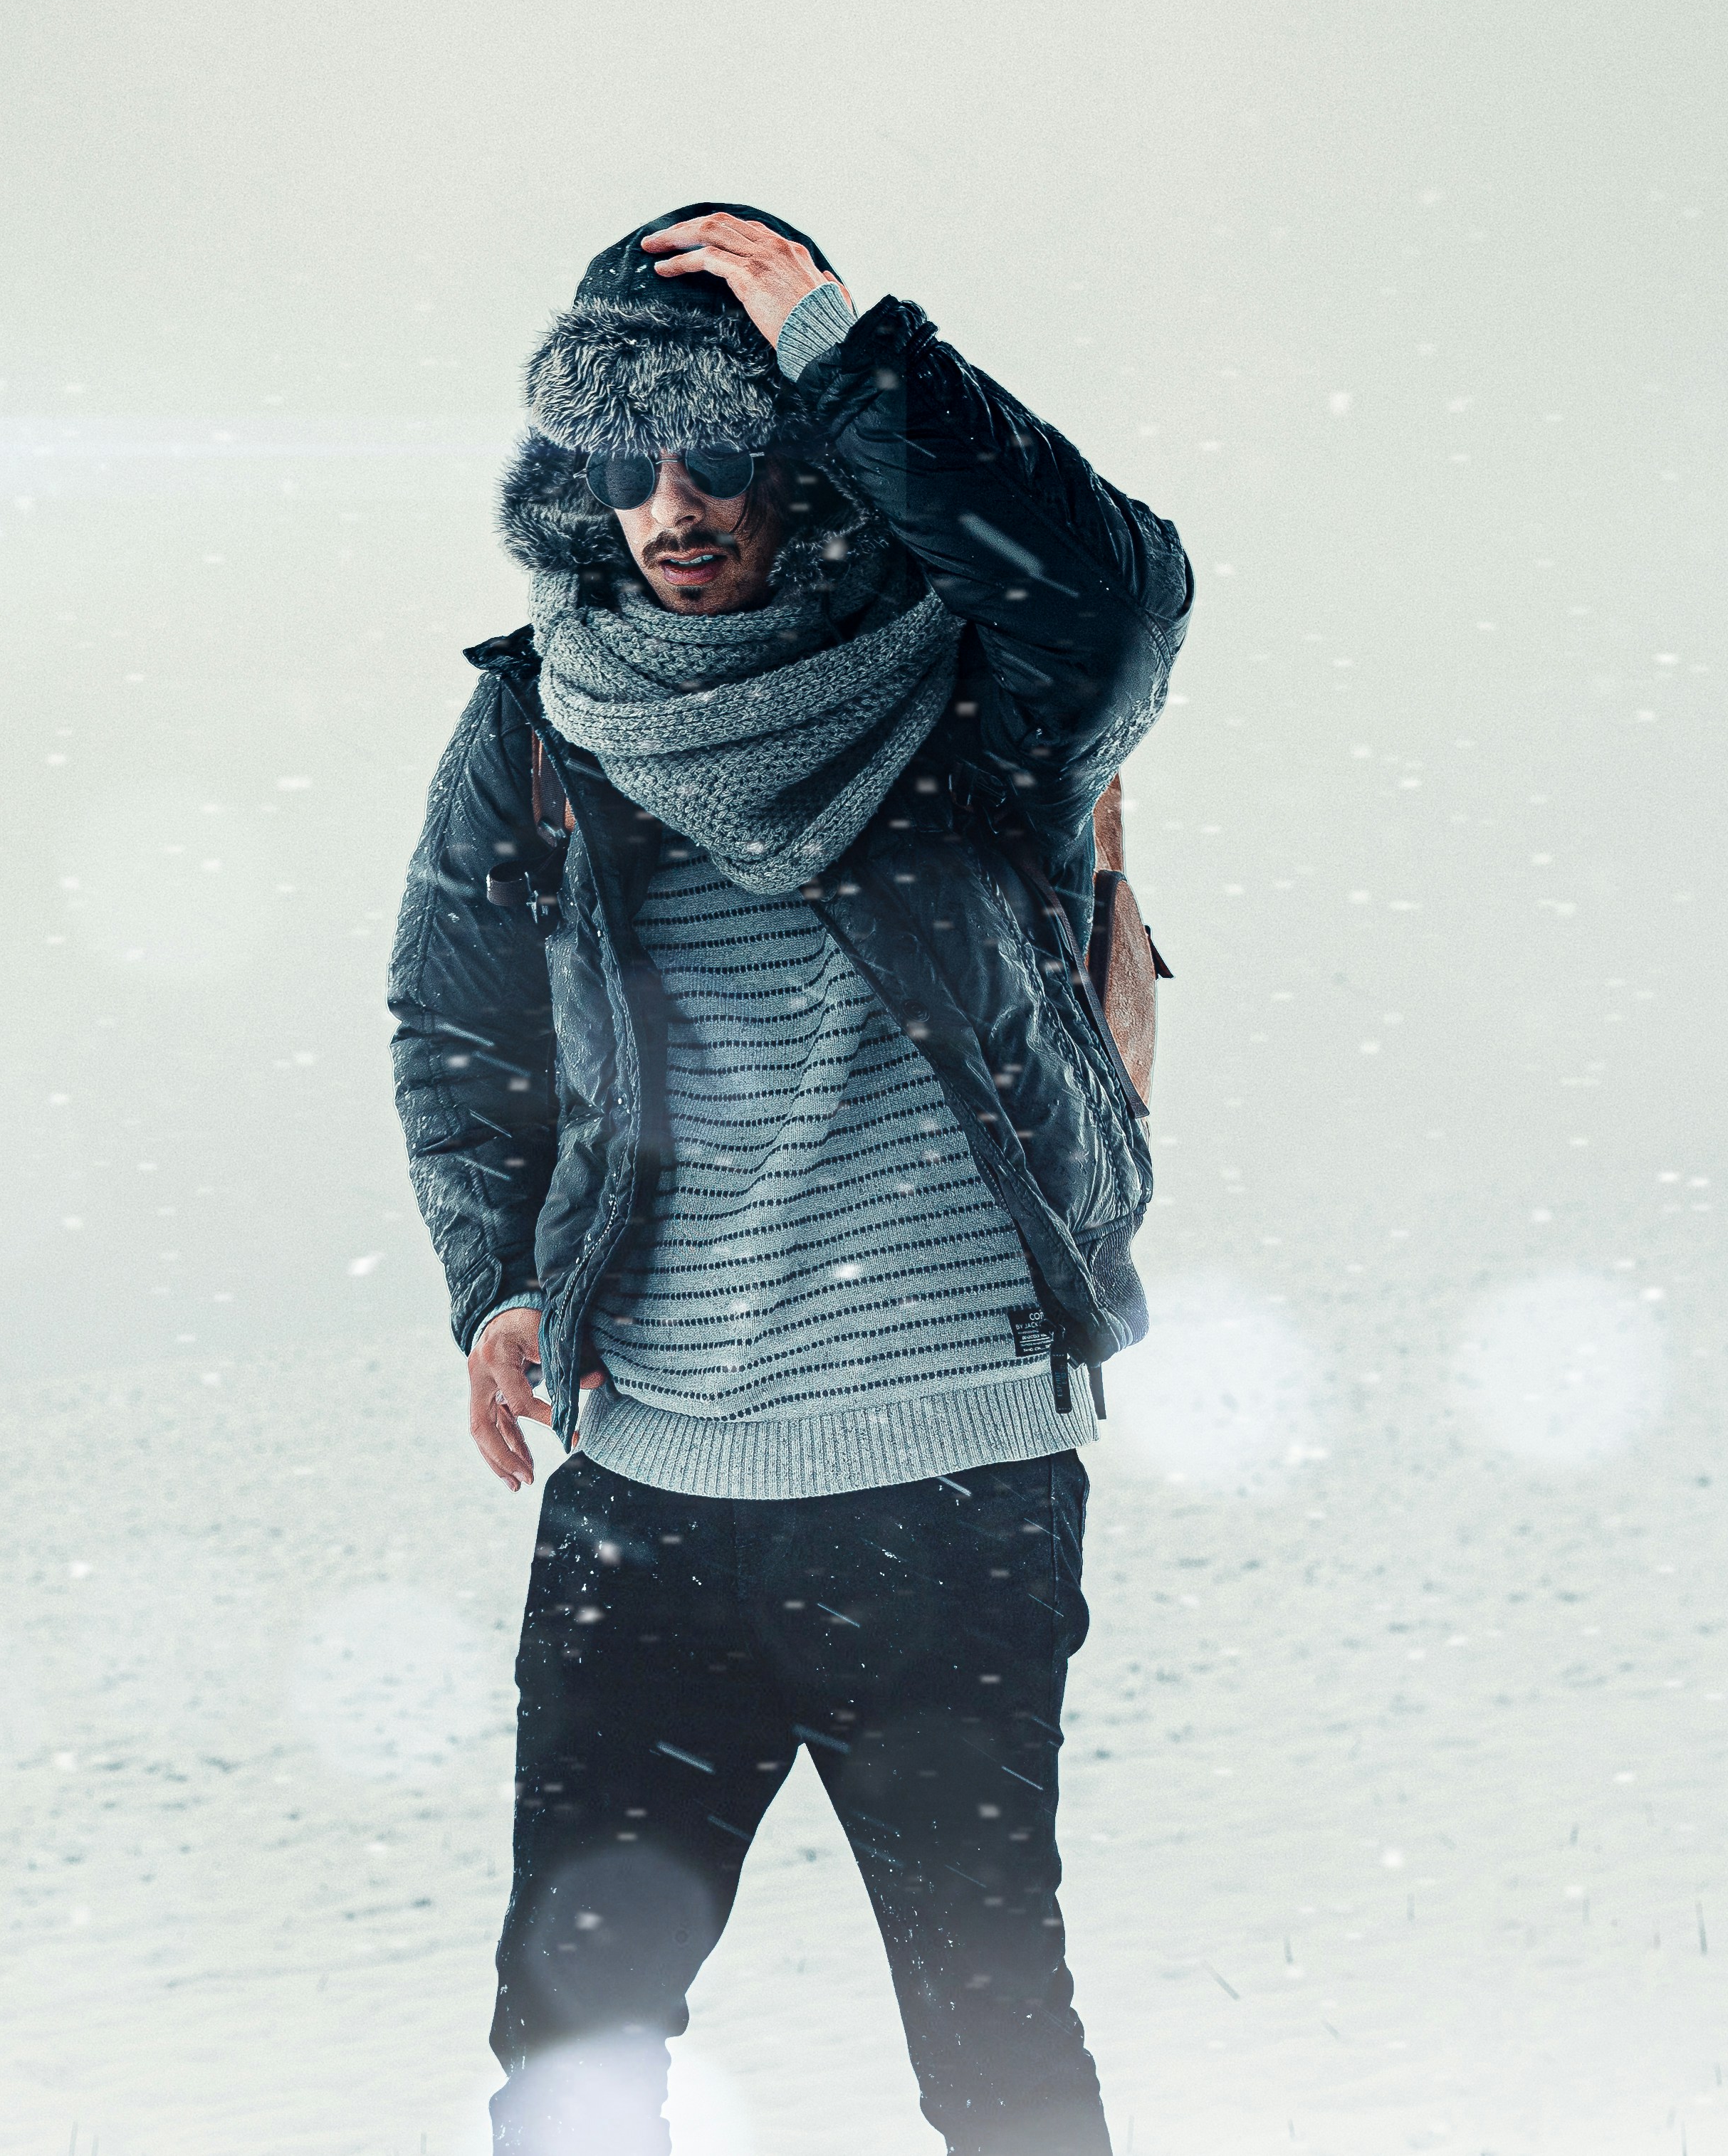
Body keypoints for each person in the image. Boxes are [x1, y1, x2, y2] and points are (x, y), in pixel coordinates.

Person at [388, 204, 1192, 2154]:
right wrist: (499, 1272)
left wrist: (843, 337)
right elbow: (459, 1016)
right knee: (569, 2035)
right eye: (628, 457)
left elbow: (1125, 596)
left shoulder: (978, 693)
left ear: (807, 460)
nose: (673, 505)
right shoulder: (541, 718)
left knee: (990, 2035)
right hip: (650, 1496)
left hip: (946, 1481)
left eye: (725, 448)